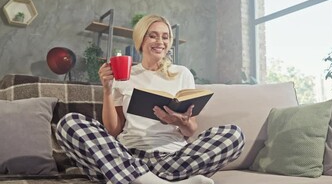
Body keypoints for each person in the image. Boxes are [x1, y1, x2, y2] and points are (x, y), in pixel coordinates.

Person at [55, 14, 245, 184]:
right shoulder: (124, 75)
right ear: (141, 40)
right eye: (153, 35)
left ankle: (139, 179)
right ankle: (157, 181)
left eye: (165, 36)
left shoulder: (182, 74)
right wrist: (107, 90)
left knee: (234, 135)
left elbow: (190, 130)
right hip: (125, 155)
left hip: (173, 158)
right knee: (68, 123)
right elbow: (113, 130)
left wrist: (181, 121)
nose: (160, 41)